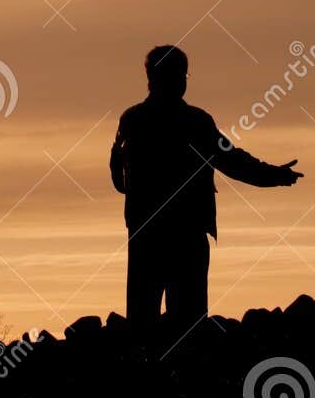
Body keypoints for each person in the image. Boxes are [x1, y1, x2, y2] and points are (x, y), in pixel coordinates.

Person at [109, 44, 303, 326]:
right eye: (179, 75)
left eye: (183, 75)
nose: (181, 81)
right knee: (186, 324)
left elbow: (117, 176)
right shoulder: (195, 121)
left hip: (146, 234)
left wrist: (274, 176)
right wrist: (274, 176)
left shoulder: (132, 119)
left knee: (144, 323)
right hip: (184, 233)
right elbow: (232, 161)